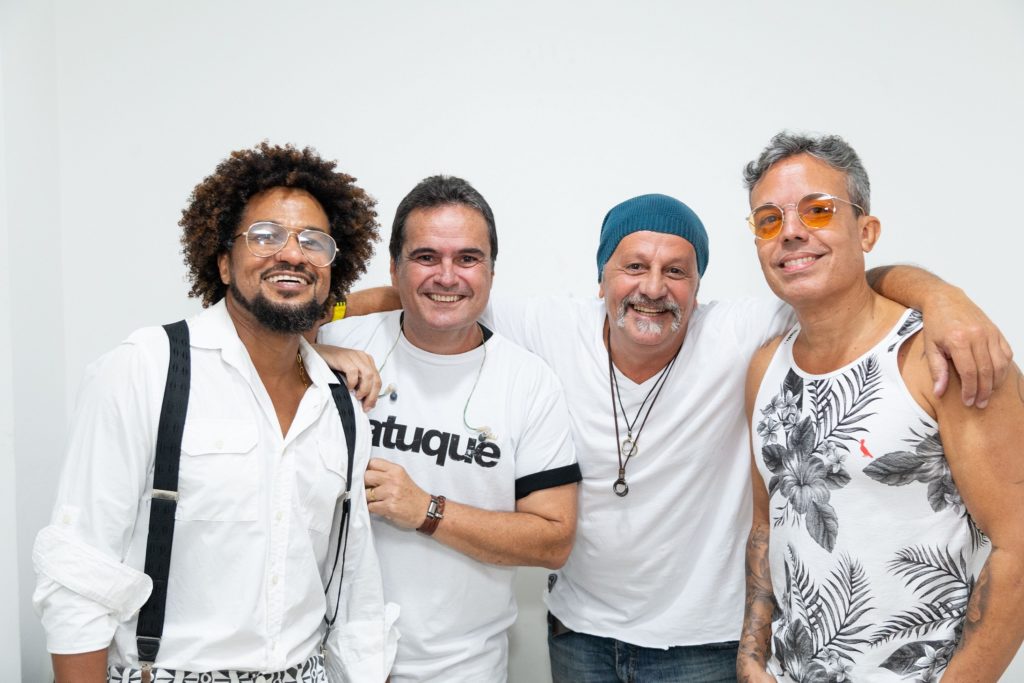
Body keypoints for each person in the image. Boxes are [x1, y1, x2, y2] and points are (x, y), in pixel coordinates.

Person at [331, 188, 1011, 682]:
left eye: (676, 271)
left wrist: (942, 296)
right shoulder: (545, 326)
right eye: (633, 266)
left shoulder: (739, 331)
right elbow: (422, 292)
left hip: (705, 644)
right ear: (601, 276)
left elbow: (852, 283)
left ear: (698, 286)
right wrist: (315, 324)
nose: (652, 288)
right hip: (579, 635)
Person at [33, 142, 395, 683]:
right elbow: (79, 575)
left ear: (330, 269)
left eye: (313, 241)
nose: (292, 254)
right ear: (224, 262)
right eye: (265, 236)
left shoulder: (341, 405)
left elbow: (354, 586)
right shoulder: (145, 369)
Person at [737, 132, 1024, 682]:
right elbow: (766, 524)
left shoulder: (943, 356)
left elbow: (1019, 544)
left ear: (866, 231)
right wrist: (752, 655)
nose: (790, 231)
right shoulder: (765, 368)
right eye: (768, 220)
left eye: (818, 210)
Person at [318, 175, 581, 682]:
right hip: (325, 661)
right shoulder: (335, 343)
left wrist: (426, 510)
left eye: (467, 258)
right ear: (394, 267)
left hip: (461, 668)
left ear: (491, 271)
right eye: (425, 257)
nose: (446, 276)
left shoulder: (529, 382)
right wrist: (311, 351)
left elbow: (553, 540)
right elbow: (252, 325)